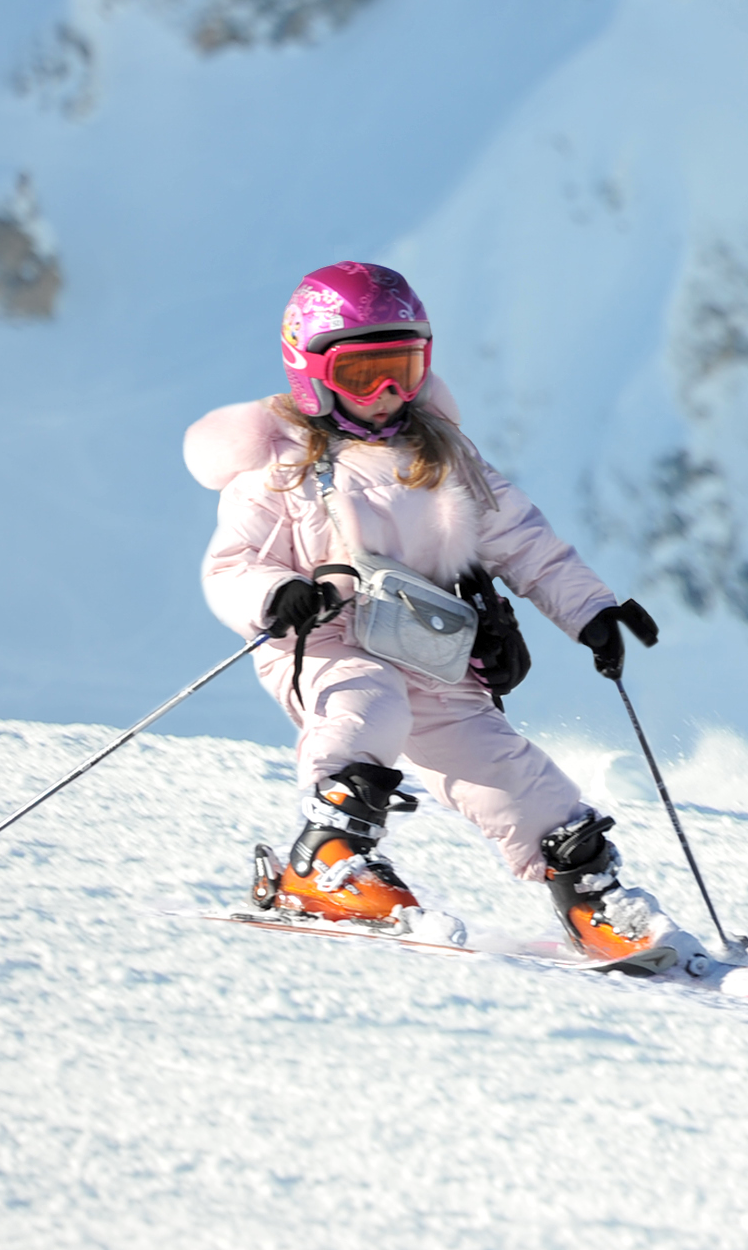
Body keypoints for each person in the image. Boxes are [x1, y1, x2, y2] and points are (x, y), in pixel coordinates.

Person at [187, 261, 678, 960]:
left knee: (506, 766)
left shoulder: (442, 456)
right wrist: (276, 595)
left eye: (404, 370)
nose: (387, 394)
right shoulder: (283, 468)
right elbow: (229, 567)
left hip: (425, 645)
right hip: (325, 646)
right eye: (364, 375)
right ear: (313, 371)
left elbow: (524, 541)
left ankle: (588, 891)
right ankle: (325, 860)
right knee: (368, 704)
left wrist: (589, 610)